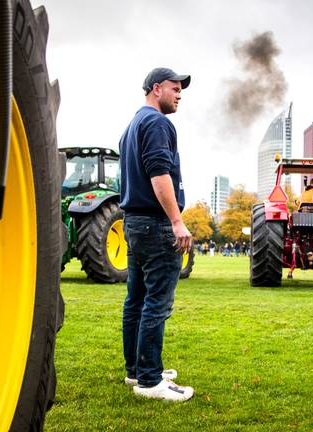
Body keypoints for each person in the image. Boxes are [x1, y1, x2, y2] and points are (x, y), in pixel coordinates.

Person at [119, 67, 194, 402]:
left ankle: (137, 371)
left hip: (134, 223)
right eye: (175, 88)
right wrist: (177, 221)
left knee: (136, 300)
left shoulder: (132, 125)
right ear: (156, 88)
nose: (179, 95)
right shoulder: (158, 123)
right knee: (156, 303)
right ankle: (150, 381)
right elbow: (158, 172)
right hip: (155, 224)